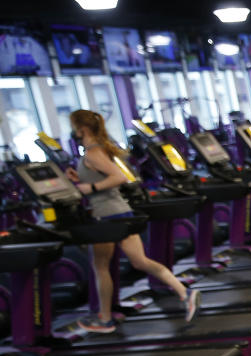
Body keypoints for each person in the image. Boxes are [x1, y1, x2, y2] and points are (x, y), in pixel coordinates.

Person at [66, 109, 199, 334]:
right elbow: (104, 175)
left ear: (82, 129)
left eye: (73, 126)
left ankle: (105, 319)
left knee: (100, 267)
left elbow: (118, 176)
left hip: (106, 216)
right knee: (140, 261)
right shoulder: (95, 151)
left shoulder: (92, 153)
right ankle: (184, 293)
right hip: (120, 212)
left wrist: (90, 187)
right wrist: (81, 179)